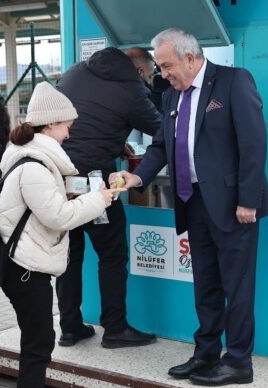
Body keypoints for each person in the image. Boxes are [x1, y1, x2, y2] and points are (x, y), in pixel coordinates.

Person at [111, 28, 268, 386]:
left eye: (167, 65)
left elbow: (254, 142)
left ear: (190, 58)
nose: (162, 73)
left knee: (238, 285)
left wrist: (248, 200)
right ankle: (206, 354)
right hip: (193, 202)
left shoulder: (233, 82)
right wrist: (136, 178)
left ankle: (238, 362)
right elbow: (159, 147)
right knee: (206, 284)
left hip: (234, 206)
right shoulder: (170, 97)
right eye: (159, 66)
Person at [0, 82, 123, 388]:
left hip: (22, 260)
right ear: (51, 123)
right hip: (26, 267)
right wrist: (100, 198)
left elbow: (45, 203)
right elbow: (59, 217)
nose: (69, 133)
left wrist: (82, 192)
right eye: (67, 125)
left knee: (36, 339)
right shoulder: (36, 163)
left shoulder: (27, 155)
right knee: (38, 343)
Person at [55, 47, 161, 349]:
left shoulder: (75, 71)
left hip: (61, 180)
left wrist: (116, 144)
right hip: (94, 183)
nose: (153, 80)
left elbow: (87, 122)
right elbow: (161, 128)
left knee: (69, 256)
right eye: (152, 75)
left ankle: (69, 327)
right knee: (112, 255)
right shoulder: (131, 88)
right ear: (140, 71)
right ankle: (115, 328)